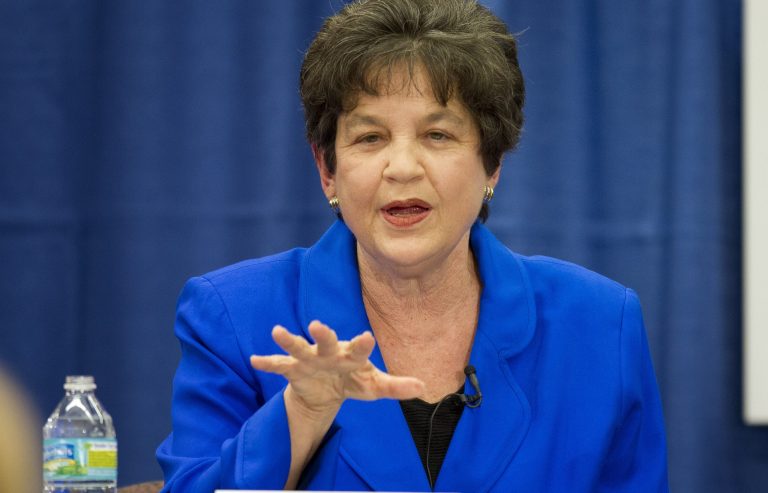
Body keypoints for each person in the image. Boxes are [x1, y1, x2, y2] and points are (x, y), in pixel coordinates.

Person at [156, 0, 669, 491]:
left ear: (492, 165)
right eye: (370, 137)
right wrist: (302, 413)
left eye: (438, 135)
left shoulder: (600, 325)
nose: (402, 168)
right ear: (326, 170)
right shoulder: (232, 316)